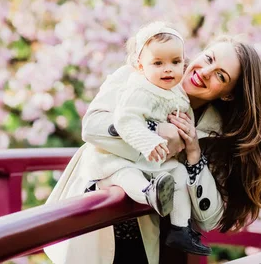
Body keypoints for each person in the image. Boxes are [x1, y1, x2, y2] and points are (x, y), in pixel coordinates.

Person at [45, 32, 261, 264]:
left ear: (227, 95)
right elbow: (92, 128)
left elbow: (209, 219)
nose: (205, 72)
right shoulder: (136, 75)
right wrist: (153, 131)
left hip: (144, 239)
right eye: (209, 59)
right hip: (96, 214)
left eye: (220, 76)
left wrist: (192, 153)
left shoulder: (215, 132)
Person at [83, 22, 211, 256]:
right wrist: (151, 137)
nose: (168, 69)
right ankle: (148, 193)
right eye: (158, 63)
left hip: (154, 162)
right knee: (126, 175)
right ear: (141, 67)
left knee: (180, 174)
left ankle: (180, 228)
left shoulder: (177, 92)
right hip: (119, 160)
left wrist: (189, 142)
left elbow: (185, 120)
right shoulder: (139, 88)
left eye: (175, 62)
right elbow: (125, 120)